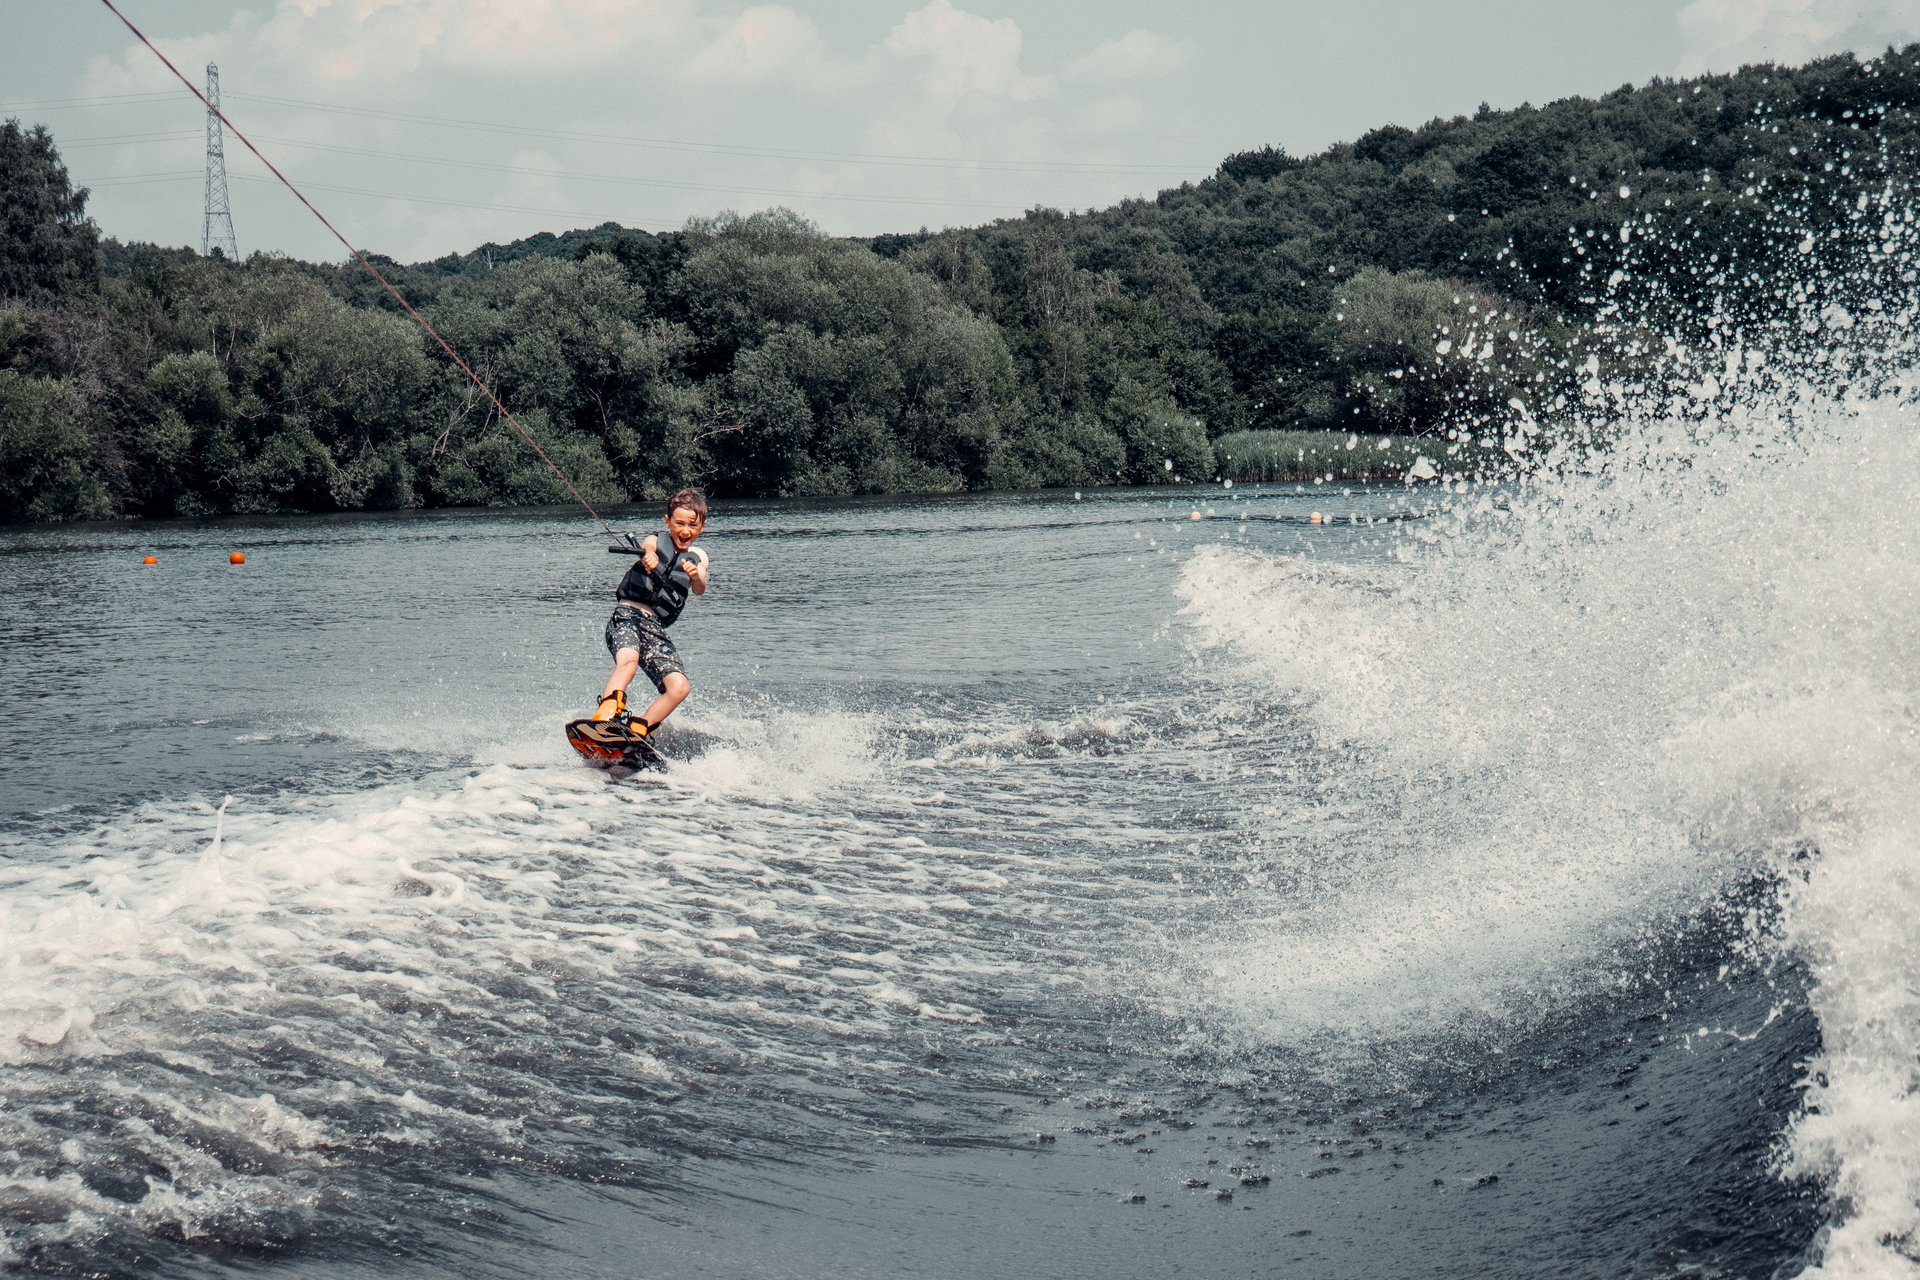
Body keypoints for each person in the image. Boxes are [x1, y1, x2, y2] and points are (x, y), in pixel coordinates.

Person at [592, 489, 711, 737]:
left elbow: (700, 587)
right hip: (626, 617)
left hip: (654, 628)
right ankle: (605, 715)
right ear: (668, 522)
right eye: (679, 523)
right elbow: (647, 547)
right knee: (629, 661)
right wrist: (648, 556)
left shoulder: (698, 556)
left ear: (702, 526)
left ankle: (640, 729)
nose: (685, 530)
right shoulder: (655, 541)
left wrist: (695, 575)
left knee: (679, 687)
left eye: (692, 525)